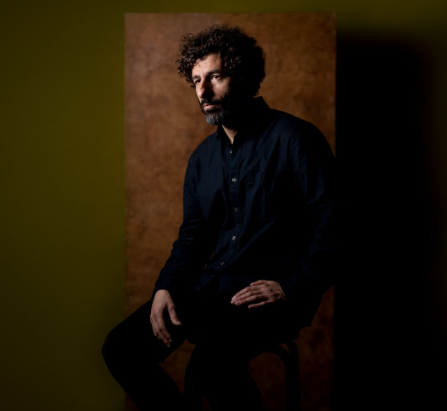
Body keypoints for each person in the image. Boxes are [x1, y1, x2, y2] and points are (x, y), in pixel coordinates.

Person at [102, 23, 340, 411]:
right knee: (121, 348)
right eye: (196, 80)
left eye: (215, 76)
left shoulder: (296, 138)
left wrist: (292, 287)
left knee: (211, 363)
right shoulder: (201, 160)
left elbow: (333, 223)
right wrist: (165, 287)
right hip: (212, 291)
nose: (203, 91)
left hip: (272, 296)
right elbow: (193, 238)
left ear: (242, 76)